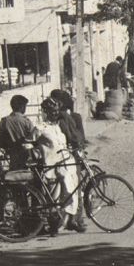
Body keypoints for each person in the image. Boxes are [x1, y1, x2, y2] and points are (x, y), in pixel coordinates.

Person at [46, 89, 89, 231]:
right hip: (70, 155)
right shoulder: (72, 117)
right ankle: (76, 220)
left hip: (61, 156)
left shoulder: (57, 118)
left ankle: (66, 220)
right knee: (75, 188)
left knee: (62, 189)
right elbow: (79, 137)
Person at [0, 94, 41, 169]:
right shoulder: (26, 121)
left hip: (12, 155)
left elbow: (1, 141)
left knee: (14, 175)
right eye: (25, 106)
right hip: (26, 155)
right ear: (22, 107)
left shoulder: (4, 121)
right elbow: (34, 138)